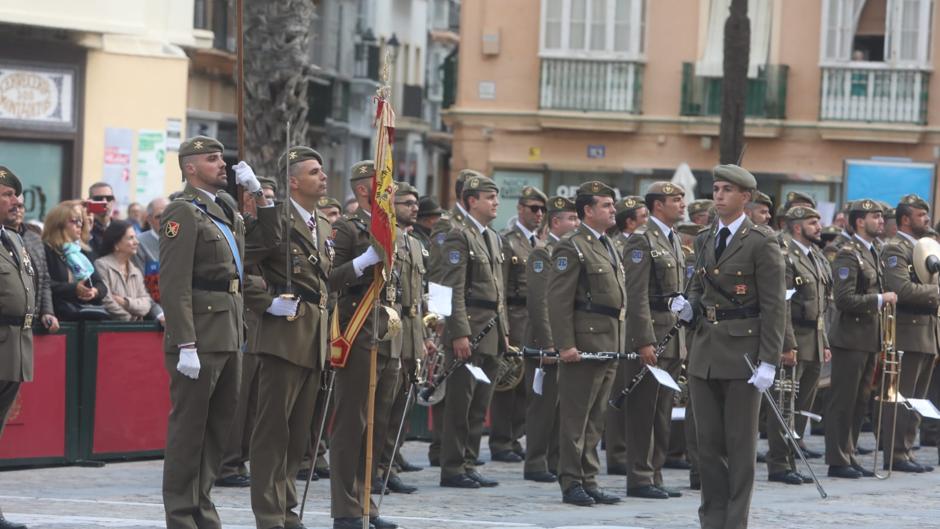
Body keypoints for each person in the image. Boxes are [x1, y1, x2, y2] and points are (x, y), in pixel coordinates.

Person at [159, 135, 270, 529]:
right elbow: (173, 286)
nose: (222, 164)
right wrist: (185, 342)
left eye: (222, 157)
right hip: (200, 337)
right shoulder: (182, 212)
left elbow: (265, 246)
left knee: (218, 430)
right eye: (212, 159)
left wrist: (261, 197)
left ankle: (202, 509)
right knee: (189, 433)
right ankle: (181, 516)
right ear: (190, 167)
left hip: (229, 332)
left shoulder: (223, 208)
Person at [686, 164, 785, 529]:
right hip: (705, 352)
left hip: (744, 355)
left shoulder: (761, 241)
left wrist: (769, 362)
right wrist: (688, 306)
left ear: (746, 197)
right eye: (715, 188)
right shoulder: (704, 238)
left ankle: (734, 521)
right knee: (706, 446)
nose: (719, 195)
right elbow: (698, 287)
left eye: (727, 189)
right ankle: (711, 518)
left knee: (740, 448)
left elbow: (775, 306)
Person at [246, 146, 332, 529]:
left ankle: (287, 508)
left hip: (315, 336)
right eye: (315, 172)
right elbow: (240, 263)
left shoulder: (325, 226)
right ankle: (269, 514)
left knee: (300, 434)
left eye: (323, 170)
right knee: (272, 431)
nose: (324, 177)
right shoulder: (275, 220)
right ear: (294, 181)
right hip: (284, 333)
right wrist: (265, 303)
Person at [328, 160, 402, 529]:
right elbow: (331, 277)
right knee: (352, 423)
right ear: (362, 189)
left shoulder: (392, 228)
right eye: (382, 183)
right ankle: (345, 507)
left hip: (388, 334)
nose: (390, 189)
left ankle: (367, 503)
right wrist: (362, 262)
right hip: (357, 332)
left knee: (379, 424)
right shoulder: (347, 227)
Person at [548, 181, 626, 507]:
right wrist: (565, 344)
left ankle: (589, 478)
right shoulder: (572, 246)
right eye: (606, 205)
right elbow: (559, 300)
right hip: (584, 341)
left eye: (612, 204)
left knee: (595, 419)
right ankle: (571, 481)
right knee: (575, 418)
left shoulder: (607, 244)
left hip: (608, 340)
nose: (613, 210)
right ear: (588, 211)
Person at [618, 182, 688, 500]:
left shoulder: (672, 240)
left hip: (672, 335)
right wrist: (643, 340)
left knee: (663, 410)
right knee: (644, 410)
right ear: (658, 206)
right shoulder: (641, 240)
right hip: (653, 337)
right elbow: (636, 296)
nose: (682, 205)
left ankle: (655, 472)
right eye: (676, 200)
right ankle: (640, 476)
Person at [437, 174, 507, 490]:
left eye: (496, 197)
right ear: (471, 201)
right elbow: (450, 287)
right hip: (470, 330)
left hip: (491, 330)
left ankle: (469, 461)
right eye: (489, 197)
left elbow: (497, 290)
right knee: (460, 403)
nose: (495, 203)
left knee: (480, 404)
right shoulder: (458, 235)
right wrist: (458, 333)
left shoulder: (491, 236)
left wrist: (504, 334)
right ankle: (452, 466)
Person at [825, 198, 895, 480]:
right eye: (874, 217)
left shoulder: (874, 251)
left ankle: (849, 453)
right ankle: (836, 458)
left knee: (859, 401)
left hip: (869, 338)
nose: (880, 221)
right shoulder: (847, 254)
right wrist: (880, 299)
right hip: (850, 338)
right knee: (842, 400)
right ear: (859, 222)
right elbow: (843, 299)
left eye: (881, 216)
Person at [216, 177, 278, 489]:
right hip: (245, 318)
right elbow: (238, 271)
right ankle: (227, 464)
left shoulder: (259, 228)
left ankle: (239, 458)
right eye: (257, 195)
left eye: (268, 196)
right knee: (238, 401)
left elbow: (271, 245)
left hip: (265, 322)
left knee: (254, 401)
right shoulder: (236, 226)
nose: (263, 200)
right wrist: (260, 287)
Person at [766, 206, 831, 484]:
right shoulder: (785, 256)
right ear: (796, 227)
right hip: (795, 339)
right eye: (812, 222)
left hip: (814, 339)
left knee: (802, 407)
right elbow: (783, 304)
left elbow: (822, 306)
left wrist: (824, 341)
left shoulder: (815, 256)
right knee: (784, 405)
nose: (819, 227)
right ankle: (779, 463)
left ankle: (792, 458)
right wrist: (787, 344)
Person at [377, 181, 429, 495]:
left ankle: (390, 463)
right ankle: (378, 468)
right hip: (391, 327)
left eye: (415, 203)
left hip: (412, 329)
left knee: (403, 405)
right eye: (407, 202)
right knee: (386, 404)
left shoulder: (414, 242)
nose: (414, 208)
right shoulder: (388, 239)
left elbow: (418, 296)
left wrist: (424, 335)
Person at [878, 194, 937, 473]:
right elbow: (901, 290)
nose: (926, 219)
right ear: (905, 219)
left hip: (927, 332)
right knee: (901, 396)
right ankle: (895, 453)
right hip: (906, 331)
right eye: (920, 215)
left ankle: (907, 449)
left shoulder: (928, 247)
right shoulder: (895, 249)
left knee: (918, 398)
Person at [523, 196, 579, 483]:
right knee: (542, 406)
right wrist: (547, 342)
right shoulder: (543, 254)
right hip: (544, 342)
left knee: (560, 408)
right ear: (556, 222)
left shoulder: (568, 251)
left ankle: (555, 460)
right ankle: (535, 461)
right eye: (571, 218)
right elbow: (539, 301)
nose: (576, 223)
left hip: (564, 340)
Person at [490, 185, 547, 463]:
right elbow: (500, 285)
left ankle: (515, 436)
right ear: (521, 209)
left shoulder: (540, 243)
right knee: (508, 382)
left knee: (527, 382)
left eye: (542, 210)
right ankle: (501, 440)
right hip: (514, 315)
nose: (539, 214)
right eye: (534, 208)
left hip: (534, 317)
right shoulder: (508, 241)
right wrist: (504, 325)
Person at [425, 170, 472, 467]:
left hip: (466, 313)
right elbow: (442, 276)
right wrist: (439, 319)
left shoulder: (473, 229)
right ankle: (440, 450)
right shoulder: (447, 225)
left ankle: (456, 453)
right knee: (447, 390)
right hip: (447, 313)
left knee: (465, 395)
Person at [0, 167, 36, 529]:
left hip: (13, 347)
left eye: (17, 195)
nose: (17, 201)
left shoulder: (13, 239)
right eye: (7, 195)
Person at [604, 194, 648, 475]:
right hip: (622, 325)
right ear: (630, 222)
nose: (648, 223)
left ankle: (626, 451)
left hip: (633, 324)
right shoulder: (619, 245)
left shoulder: (642, 244)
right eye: (644, 218)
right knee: (619, 390)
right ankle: (616, 453)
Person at [42, 201, 109, 320]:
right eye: (75, 221)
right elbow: (42, 284)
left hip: (85, 315)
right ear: (59, 223)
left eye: (81, 221)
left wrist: (94, 291)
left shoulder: (82, 251)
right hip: (58, 317)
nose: (80, 225)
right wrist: (74, 289)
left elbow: (101, 285)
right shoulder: (46, 249)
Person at [3, 194, 57, 333]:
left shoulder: (34, 238)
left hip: (31, 323)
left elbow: (44, 279)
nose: (17, 210)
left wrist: (47, 311)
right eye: (12, 207)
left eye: (20, 206)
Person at [94, 219, 163, 322]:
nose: (137, 242)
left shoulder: (135, 271)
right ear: (116, 243)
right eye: (131, 238)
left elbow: (146, 304)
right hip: (111, 331)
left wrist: (125, 302)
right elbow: (107, 301)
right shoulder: (101, 265)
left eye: (135, 237)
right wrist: (130, 321)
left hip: (134, 331)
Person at [135, 197, 169, 302]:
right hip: (156, 309)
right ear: (149, 219)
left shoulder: (186, 240)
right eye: (159, 217)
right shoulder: (138, 243)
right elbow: (140, 285)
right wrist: (157, 313)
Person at [87, 182, 116, 256]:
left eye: (109, 198)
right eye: (98, 198)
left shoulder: (121, 229)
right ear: (89, 201)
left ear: (113, 201)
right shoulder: (81, 229)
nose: (105, 202)